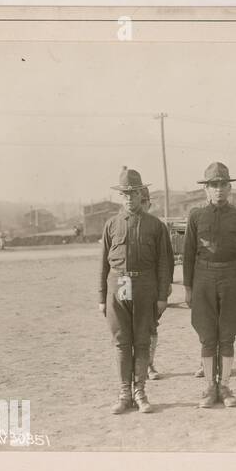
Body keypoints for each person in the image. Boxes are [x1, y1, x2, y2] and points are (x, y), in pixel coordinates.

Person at [182, 162, 236, 408]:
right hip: (203, 279)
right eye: (213, 185)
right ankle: (208, 388)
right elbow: (188, 254)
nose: (218, 190)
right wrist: (188, 287)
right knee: (207, 336)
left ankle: (224, 386)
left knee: (227, 335)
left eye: (223, 185)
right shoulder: (196, 217)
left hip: (232, 278)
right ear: (206, 189)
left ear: (229, 187)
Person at [98, 168, 171, 413]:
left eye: (134, 192)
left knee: (141, 342)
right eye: (125, 193)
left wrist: (162, 297)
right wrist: (101, 297)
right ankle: (124, 393)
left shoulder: (155, 226)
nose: (130, 197)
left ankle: (140, 392)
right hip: (118, 287)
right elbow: (103, 264)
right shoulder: (111, 225)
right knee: (121, 342)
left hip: (144, 287)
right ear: (121, 196)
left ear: (142, 194)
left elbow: (165, 264)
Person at [139, 185, 174, 381]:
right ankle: (134, 366)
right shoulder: (123, 223)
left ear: (149, 204)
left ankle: (149, 364)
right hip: (130, 285)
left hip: (151, 285)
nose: (141, 205)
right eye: (139, 201)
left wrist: (165, 286)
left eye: (145, 202)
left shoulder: (157, 226)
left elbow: (166, 259)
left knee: (151, 326)